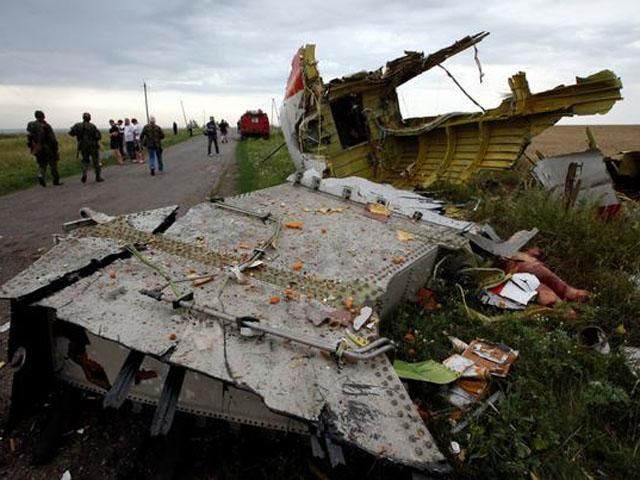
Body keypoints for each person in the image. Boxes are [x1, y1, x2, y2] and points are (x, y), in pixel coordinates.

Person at [26, 110, 61, 187]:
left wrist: (32, 147)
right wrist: (56, 148)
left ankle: (41, 175)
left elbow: (29, 137)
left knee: (42, 164)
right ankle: (56, 180)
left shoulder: (32, 126)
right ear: (43, 116)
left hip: (38, 149)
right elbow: (53, 139)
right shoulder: (46, 126)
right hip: (48, 148)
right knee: (53, 164)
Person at [69, 112, 103, 183]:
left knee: (85, 161)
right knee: (96, 161)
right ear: (89, 118)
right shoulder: (92, 126)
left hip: (83, 146)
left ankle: (84, 173)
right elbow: (98, 136)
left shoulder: (78, 125)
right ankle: (98, 177)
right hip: (93, 146)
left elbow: (71, 133)